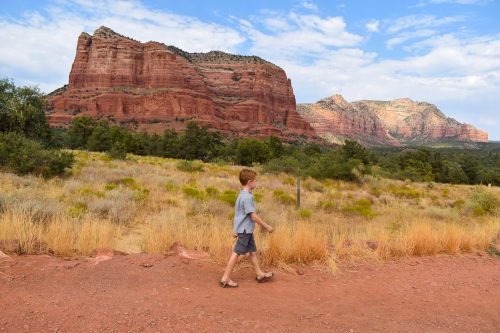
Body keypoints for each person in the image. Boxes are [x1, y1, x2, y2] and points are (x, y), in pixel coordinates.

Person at [220, 168, 274, 288]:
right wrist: (267, 227)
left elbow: (238, 214)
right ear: (250, 182)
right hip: (245, 231)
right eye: (255, 181)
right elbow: (253, 216)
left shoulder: (242, 194)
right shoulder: (247, 197)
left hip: (246, 230)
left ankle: (259, 274)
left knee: (252, 252)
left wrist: (235, 229)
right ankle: (225, 278)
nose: (256, 183)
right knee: (236, 253)